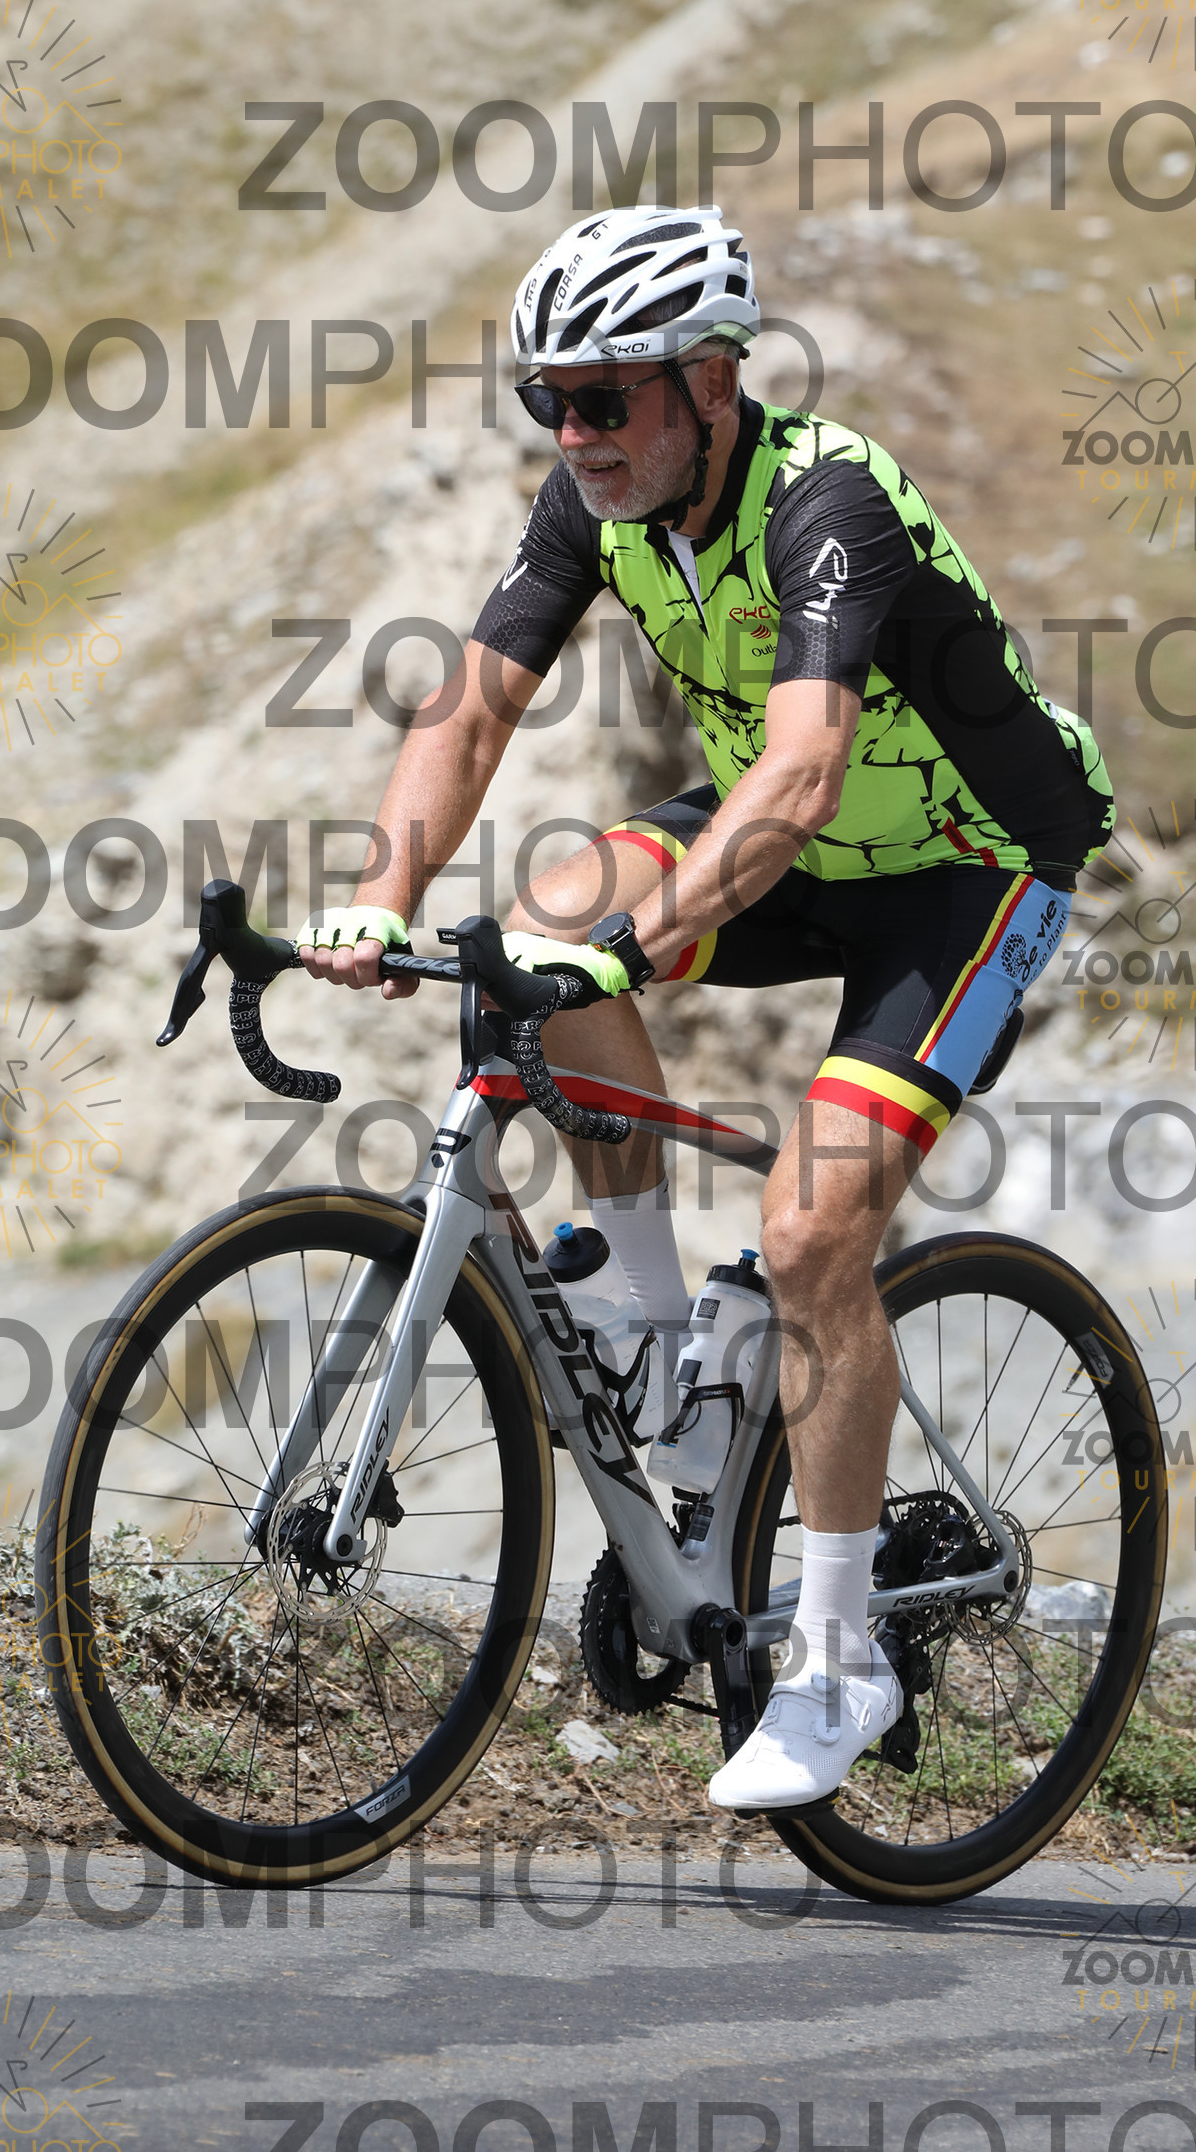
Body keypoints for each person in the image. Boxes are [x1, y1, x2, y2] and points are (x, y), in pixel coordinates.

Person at [298, 206, 1113, 1811]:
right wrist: (384, 897)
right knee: (535, 924)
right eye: (549, 400)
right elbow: (470, 713)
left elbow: (800, 773)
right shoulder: (594, 502)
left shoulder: (831, 501)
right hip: (791, 846)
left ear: (713, 383)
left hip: (968, 867)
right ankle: (648, 1316)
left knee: (811, 1239)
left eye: (606, 398)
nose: (574, 432)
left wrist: (637, 947)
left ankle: (841, 1659)